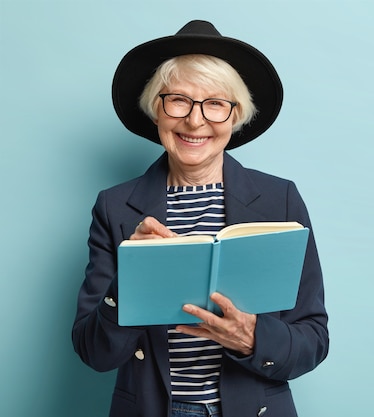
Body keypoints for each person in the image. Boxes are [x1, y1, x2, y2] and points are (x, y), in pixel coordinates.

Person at [72, 20, 329, 417]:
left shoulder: (281, 200)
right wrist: (131, 277)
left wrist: (251, 338)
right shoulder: (114, 207)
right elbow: (94, 353)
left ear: (235, 116)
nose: (195, 121)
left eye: (215, 103)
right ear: (156, 109)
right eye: (178, 100)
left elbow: (313, 339)